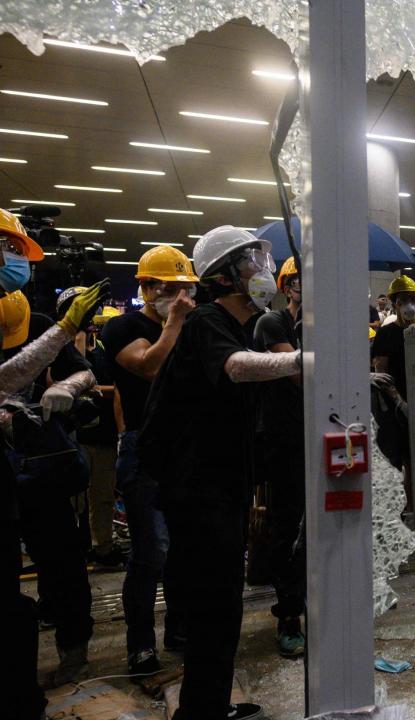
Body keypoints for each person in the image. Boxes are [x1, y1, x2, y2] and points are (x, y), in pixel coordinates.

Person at [137, 226, 301, 720]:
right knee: (214, 607)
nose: (264, 272)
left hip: (219, 487)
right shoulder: (208, 321)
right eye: (252, 262)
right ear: (225, 276)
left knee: (223, 607)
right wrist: (308, 361)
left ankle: (208, 705)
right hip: (197, 490)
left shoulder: (238, 325)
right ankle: (201, 713)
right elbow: (235, 368)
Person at [2, 278, 110, 720]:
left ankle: (73, 647)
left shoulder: (37, 322)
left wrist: (68, 386)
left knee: (62, 561)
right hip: (9, 472)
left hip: (44, 467)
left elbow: (85, 371)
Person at [101, 244, 197, 674]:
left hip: (182, 447)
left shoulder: (188, 327)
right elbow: (148, 366)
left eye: (185, 288)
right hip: (144, 449)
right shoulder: (123, 328)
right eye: (172, 288)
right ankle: (140, 645)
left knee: (181, 549)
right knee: (149, 552)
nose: (181, 297)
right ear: (148, 287)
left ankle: (178, 629)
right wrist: (175, 322)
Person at [252, 255, 306, 658]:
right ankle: (289, 616)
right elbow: (303, 375)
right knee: (289, 529)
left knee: (327, 528)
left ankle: (322, 608)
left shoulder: (324, 325)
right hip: (285, 442)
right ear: (289, 287)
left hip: (322, 439)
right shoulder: (272, 323)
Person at [55, 288, 125, 568]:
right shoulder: (59, 350)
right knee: (74, 499)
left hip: (103, 436)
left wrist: (97, 391)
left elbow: (110, 386)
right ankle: (73, 546)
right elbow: (68, 384)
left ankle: (103, 547)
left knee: (103, 496)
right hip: (73, 436)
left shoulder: (106, 349)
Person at [371, 275, 415, 506]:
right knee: (393, 461)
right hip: (392, 409)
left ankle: (413, 509)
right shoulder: (386, 333)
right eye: (404, 299)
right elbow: (381, 371)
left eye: (414, 299)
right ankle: (394, 512)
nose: (410, 304)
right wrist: (399, 402)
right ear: (395, 303)